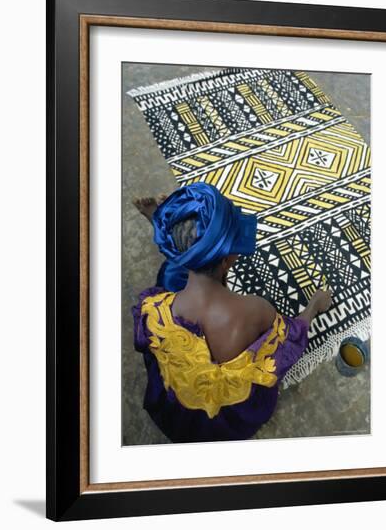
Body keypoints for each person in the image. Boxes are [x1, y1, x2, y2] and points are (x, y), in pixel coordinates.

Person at [132, 182, 332, 443]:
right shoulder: (255, 310)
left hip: (178, 410)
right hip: (227, 418)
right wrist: (314, 305)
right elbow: (291, 337)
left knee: (169, 279)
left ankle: (176, 235)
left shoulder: (154, 309)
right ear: (227, 260)